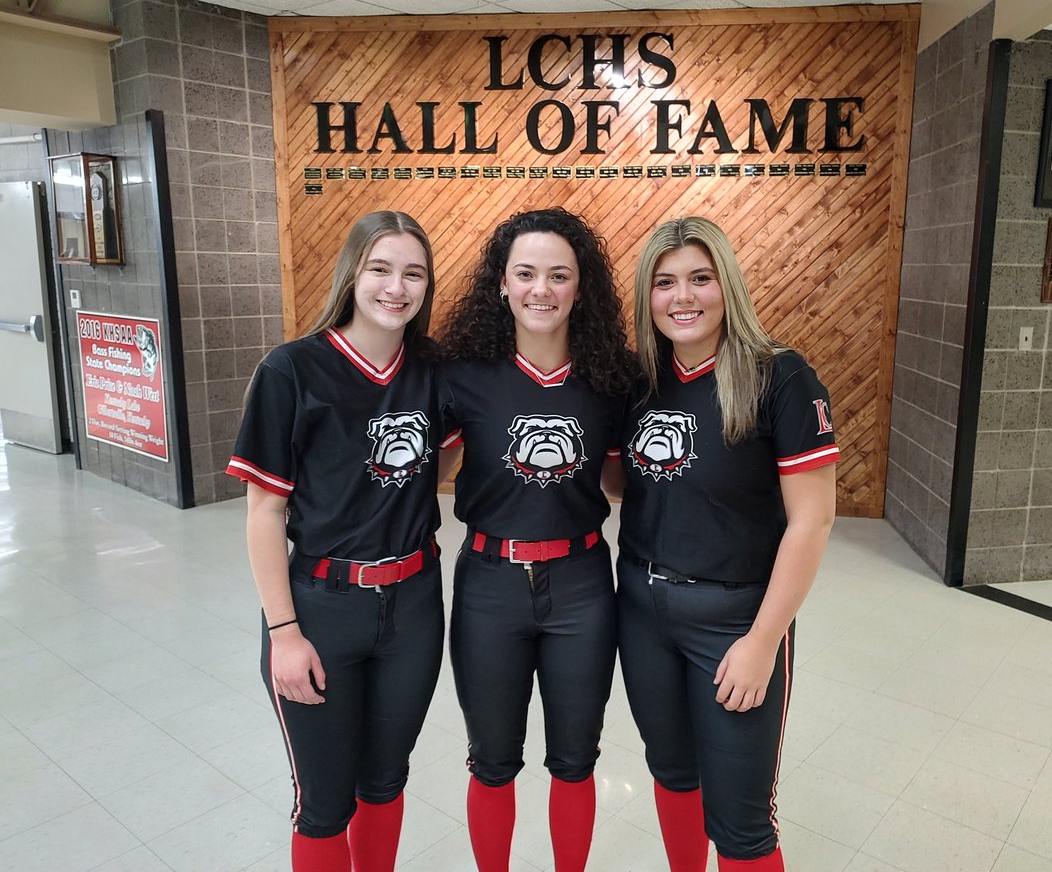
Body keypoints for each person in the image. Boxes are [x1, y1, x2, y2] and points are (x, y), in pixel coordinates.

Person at [611, 217, 839, 871]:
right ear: (647, 296)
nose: (683, 297)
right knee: (673, 774)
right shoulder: (640, 384)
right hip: (643, 611)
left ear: (726, 285)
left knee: (741, 823)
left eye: (700, 279)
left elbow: (812, 522)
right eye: (665, 282)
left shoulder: (782, 378)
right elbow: (634, 482)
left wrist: (762, 641)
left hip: (735, 620)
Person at [226, 211, 444, 872]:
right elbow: (264, 512)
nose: (395, 287)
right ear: (352, 273)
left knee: (385, 780)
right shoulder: (292, 370)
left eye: (413, 273)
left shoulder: (435, 371)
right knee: (323, 802)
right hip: (320, 608)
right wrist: (285, 634)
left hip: (413, 607)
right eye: (380, 268)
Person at [437, 207, 635, 872]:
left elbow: (622, 481)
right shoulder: (462, 375)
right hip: (490, 584)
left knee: (576, 760)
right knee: (491, 762)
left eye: (558, 275)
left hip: (582, 585)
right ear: (501, 283)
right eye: (525, 273)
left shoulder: (613, 379)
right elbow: (416, 472)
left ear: (582, 288)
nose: (540, 289)